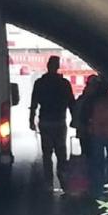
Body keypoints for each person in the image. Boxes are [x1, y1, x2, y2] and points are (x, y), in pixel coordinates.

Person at [29, 56, 75, 194]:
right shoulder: (64, 83)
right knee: (61, 153)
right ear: (58, 67)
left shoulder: (40, 83)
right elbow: (71, 103)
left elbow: (34, 103)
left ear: (48, 66)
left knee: (47, 154)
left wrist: (31, 120)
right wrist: (76, 120)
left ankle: (49, 183)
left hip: (45, 122)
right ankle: (64, 182)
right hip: (60, 122)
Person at [80, 77, 108, 197]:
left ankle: (97, 191)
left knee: (97, 163)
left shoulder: (93, 100)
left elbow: (84, 116)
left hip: (97, 133)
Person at [70, 74, 100, 156]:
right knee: (94, 154)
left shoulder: (82, 99)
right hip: (94, 130)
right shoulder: (99, 99)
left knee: (86, 153)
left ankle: (88, 167)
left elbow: (76, 112)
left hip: (84, 130)